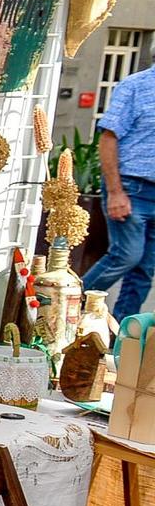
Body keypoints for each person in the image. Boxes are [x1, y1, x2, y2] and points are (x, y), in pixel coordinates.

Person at [85, 63, 155, 318]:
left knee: (145, 270)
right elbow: (108, 139)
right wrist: (115, 192)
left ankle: (123, 337)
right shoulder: (135, 86)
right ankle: (58, 307)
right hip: (131, 188)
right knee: (126, 256)